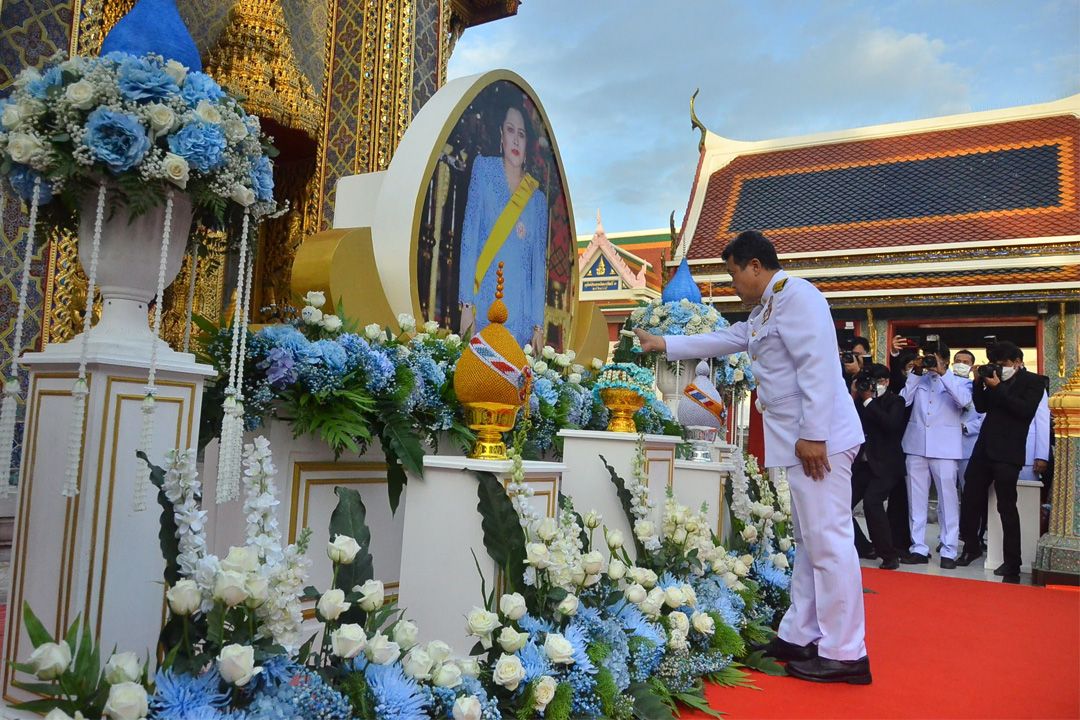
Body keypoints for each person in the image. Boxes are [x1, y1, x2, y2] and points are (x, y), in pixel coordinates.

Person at [634, 230, 870, 685]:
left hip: (820, 441)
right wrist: (665, 345)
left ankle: (845, 651)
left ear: (755, 266)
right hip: (802, 441)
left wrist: (815, 435)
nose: (733, 285)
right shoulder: (768, 308)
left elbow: (818, 365)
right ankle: (801, 634)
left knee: (829, 543)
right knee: (809, 542)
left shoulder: (797, 297)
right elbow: (728, 338)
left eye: (733, 274)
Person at [457, 100, 548, 346]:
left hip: (521, 319)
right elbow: (469, 238)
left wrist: (538, 326)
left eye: (521, 134)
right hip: (484, 307)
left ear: (527, 143)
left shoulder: (537, 199)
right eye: (510, 130)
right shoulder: (484, 172)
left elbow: (538, 268)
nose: (516, 141)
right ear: (501, 135)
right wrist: (467, 304)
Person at [956, 342, 1045, 583]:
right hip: (983, 449)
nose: (1001, 368)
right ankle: (971, 546)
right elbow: (983, 406)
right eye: (997, 363)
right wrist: (978, 383)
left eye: (1005, 364)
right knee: (970, 495)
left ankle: (1012, 563)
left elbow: (1024, 411)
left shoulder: (1036, 382)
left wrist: (998, 388)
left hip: (1009, 452)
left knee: (1006, 506)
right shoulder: (994, 377)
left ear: (1017, 361)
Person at [899, 336, 970, 569]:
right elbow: (903, 402)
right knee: (915, 498)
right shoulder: (918, 378)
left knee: (948, 499)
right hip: (916, 445)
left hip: (945, 448)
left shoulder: (960, 381)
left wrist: (943, 373)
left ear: (946, 360)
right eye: (927, 357)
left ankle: (949, 549)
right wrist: (916, 374)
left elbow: (963, 402)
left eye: (934, 358)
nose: (930, 362)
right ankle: (918, 547)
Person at [850, 364, 906, 570]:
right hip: (863, 463)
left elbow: (891, 425)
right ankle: (865, 547)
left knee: (872, 503)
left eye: (878, 381)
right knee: (841, 505)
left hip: (887, 464)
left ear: (886, 382)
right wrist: (855, 395)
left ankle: (889, 555)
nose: (873, 386)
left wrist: (868, 401)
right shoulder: (858, 402)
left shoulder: (896, 401)